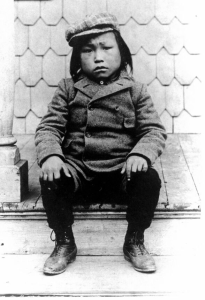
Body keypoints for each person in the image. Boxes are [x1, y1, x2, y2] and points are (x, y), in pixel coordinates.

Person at [35, 12, 167, 276]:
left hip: (122, 172)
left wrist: (141, 154)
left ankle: (135, 240)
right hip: (79, 173)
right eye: (88, 50)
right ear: (77, 58)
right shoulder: (68, 88)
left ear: (122, 52)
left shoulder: (136, 91)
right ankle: (64, 241)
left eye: (106, 48)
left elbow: (154, 131)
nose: (98, 57)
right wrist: (51, 156)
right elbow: (49, 127)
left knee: (149, 179)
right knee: (51, 179)